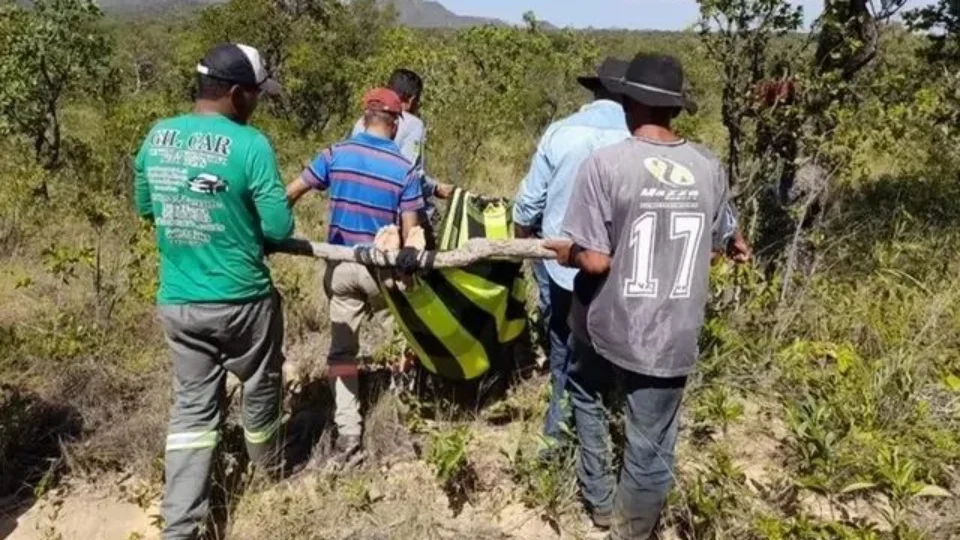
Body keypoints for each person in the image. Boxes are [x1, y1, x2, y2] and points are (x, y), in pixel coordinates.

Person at [546, 53, 751, 538]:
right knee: (651, 445)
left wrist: (567, 252)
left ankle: (598, 501)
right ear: (676, 109)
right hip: (672, 336)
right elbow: (728, 242)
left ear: (627, 101)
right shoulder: (707, 166)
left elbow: (594, 260)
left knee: (585, 392)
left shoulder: (607, 164)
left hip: (604, 321)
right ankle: (631, 531)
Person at [134, 43, 294, 539]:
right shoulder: (250, 145)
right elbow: (280, 226)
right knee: (262, 382)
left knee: (192, 412)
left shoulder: (158, 136)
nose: (258, 103)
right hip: (242, 300)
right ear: (234, 93)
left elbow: (146, 208)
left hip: (179, 301)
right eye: (256, 94)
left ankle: (180, 527)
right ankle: (268, 470)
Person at [286, 88, 425, 466]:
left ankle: (349, 431)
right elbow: (410, 234)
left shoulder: (335, 154)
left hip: (342, 267)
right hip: (381, 272)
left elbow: (292, 193)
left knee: (342, 351)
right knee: (408, 330)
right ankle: (409, 401)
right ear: (396, 123)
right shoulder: (405, 168)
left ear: (364, 117)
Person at [512, 57, 631, 449]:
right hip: (621, 267)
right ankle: (609, 434)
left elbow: (529, 204)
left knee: (563, 345)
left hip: (562, 262)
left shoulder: (560, 132)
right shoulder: (636, 138)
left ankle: (558, 436)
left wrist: (525, 245)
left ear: (594, 90)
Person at [351, 69, 454, 245]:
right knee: (435, 233)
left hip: (357, 207)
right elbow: (410, 175)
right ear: (413, 99)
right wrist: (435, 189)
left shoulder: (363, 121)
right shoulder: (413, 124)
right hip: (394, 210)